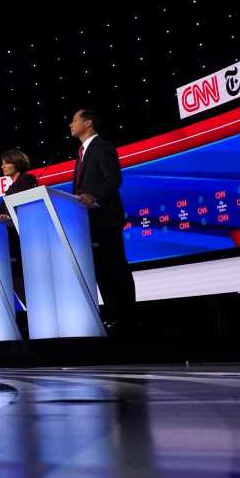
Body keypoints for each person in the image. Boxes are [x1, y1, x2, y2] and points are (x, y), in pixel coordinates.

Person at [69, 108, 136, 331]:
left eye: (74, 120)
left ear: (88, 123)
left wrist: (94, 196)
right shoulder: (81, 154)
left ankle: (127, 319)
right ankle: (114, 317)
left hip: (106, 219)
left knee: (115, 268)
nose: (71, 124)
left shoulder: (102, 147)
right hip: (89, 224)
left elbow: (114, 179)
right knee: (102, 272)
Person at [0, 149, 38, 333]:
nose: (2, 166)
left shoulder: (27, 180)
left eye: (6, 162)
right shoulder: (11, 188)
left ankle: (37, 314)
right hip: (12, 241)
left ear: (16, 162)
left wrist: (7, 217)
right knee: (16, 279)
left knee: (25, 279)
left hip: (24, 240)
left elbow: (25, 207)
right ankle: (34, 314)